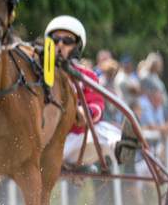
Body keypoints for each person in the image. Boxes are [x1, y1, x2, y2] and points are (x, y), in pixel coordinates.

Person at [46, 16, 133, 168]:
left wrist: (85, 113)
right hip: (47, 143)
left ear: (77, 46)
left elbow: (97, 104)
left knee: (102, 129)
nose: (60, 44)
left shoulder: (86, 76)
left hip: (75, 140)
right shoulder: (39, 74)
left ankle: (120, 147)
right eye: (55, 39)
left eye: (67, 41)